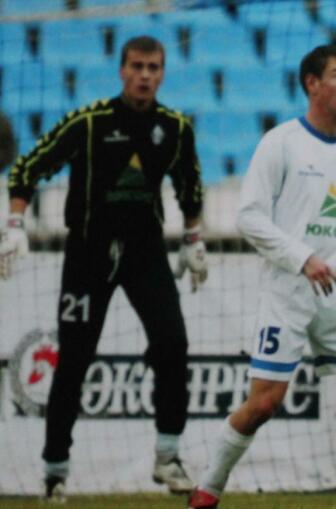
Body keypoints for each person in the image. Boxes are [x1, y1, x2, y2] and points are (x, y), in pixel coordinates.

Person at [187, 45, 336, 509]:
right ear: (312, 83)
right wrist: (303, 257)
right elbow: (249, 217)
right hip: (291, 291)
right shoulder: (281, 142)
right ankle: (207, 489)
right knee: (264, 403)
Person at [0, 36, 208, 501]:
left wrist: (194, 238)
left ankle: (168, 455)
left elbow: (190, 185)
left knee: (173, 343)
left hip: (145, 253)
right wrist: (14, 223)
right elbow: (27, 169)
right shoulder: (90, 122)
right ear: (121, 70)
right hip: (88, 254)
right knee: (73, 360)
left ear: (162, 73)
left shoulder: (175, 128)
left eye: (153, 67)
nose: (145, 75)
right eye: (137, 66)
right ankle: (55, 470)